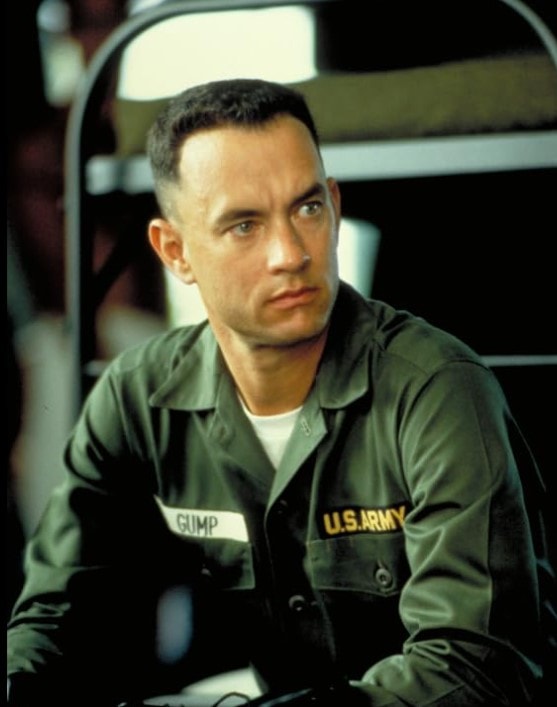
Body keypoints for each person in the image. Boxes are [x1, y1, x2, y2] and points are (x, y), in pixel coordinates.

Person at [6, 78, 556, 707]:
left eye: (308, 208)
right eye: (244, 225)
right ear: (175, 251)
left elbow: (474, 667)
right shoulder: (135, 399)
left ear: (335, 206)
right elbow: (54, 618)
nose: (290, 254)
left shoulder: (437, 390)